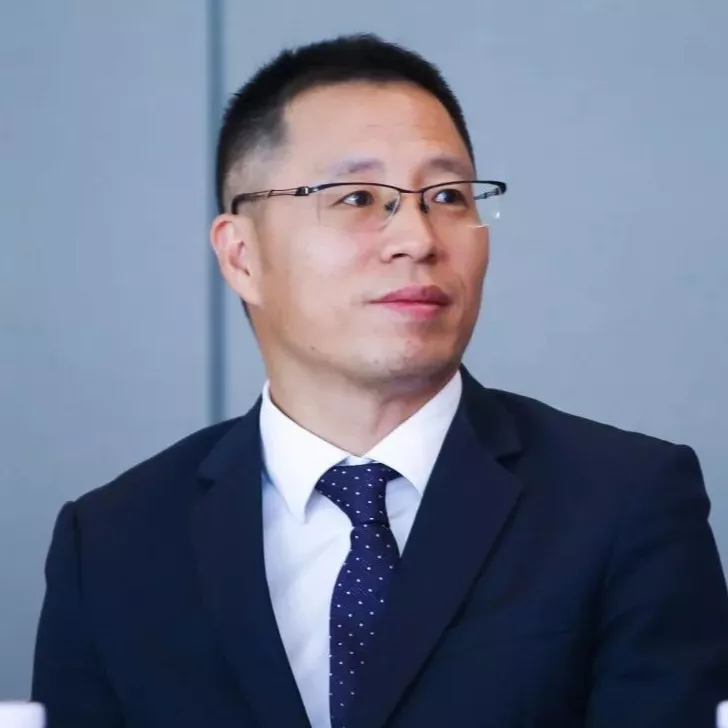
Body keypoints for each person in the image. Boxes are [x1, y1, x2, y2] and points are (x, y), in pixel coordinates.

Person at [32, 33, 728, 728]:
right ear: (241, 255)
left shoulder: (623, 502)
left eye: (448, 195)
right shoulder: (114, 543)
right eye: (359, 197)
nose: (418, 239)